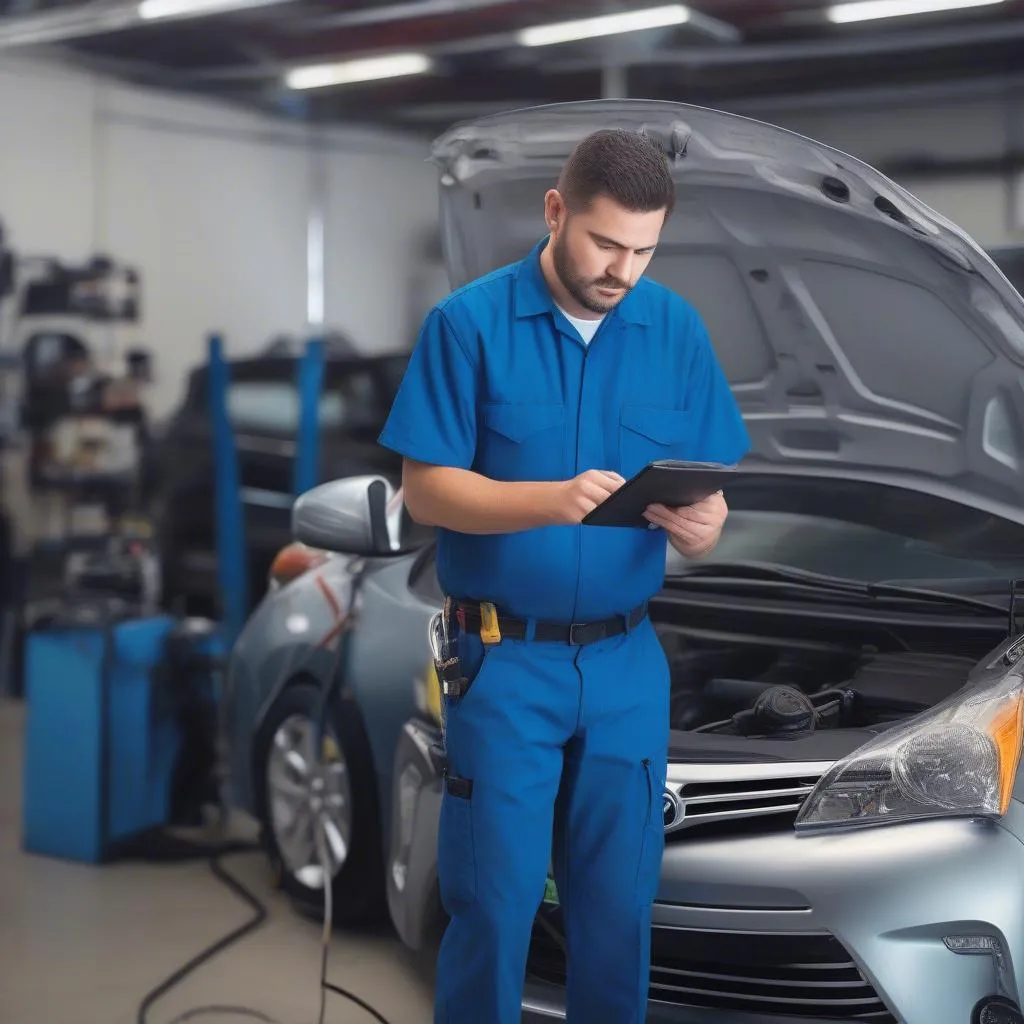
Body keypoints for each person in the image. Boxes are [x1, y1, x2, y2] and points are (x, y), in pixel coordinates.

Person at [378, 128, 749, 1024]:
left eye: (644, 249)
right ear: (556, 211)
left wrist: (707, 523)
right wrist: (545, 501)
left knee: (618, 913)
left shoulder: (675, 329)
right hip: (504, 664)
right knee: (495, 908)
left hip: (627, 666)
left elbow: (712, 483)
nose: (623, 269)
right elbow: (426, 491)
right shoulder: (466, 325)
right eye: (605, 243)